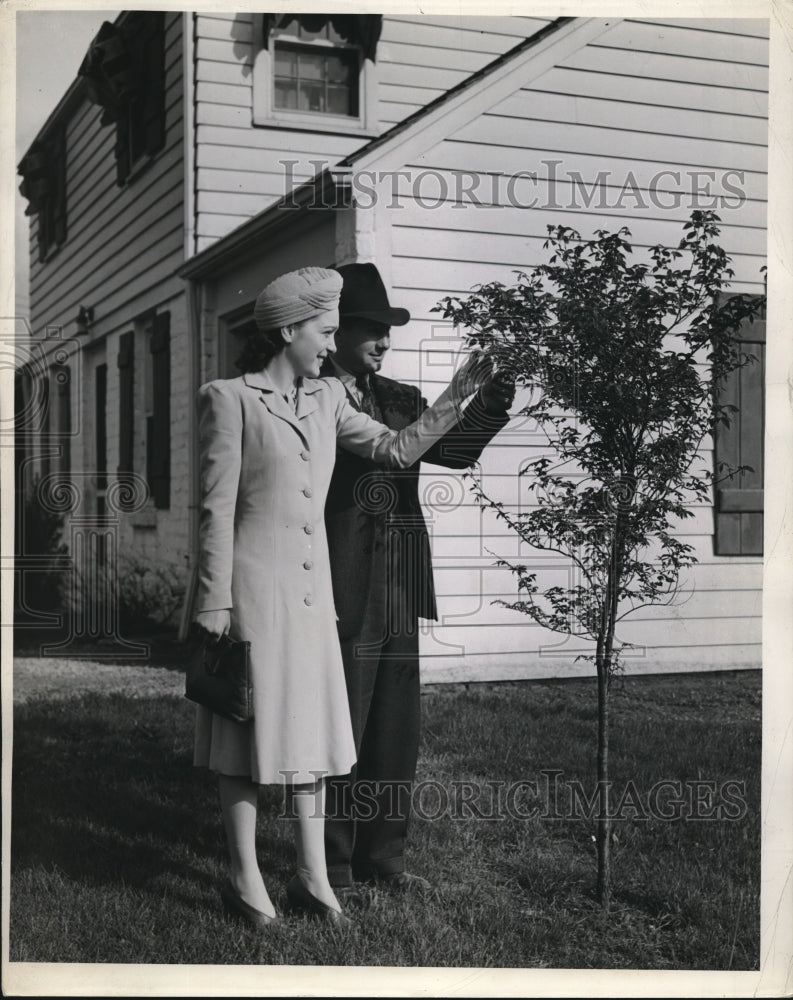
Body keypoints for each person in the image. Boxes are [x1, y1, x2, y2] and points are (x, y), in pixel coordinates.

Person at [191, 266, 491, 929]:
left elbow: (393, 450)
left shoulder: (326, 401)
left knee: (315, 734)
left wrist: (460, 392)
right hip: (250, 590)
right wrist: (213, 601)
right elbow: (213, 511)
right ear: (289, 328)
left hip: (311, 592)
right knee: (241, 731)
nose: (331, 346)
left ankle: (312, 878)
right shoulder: (226, 397)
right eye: (325, 332)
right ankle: (245, 879)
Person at [321, 263, 514, 896]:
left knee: (394, 722)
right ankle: (333, 864)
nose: (382, 341)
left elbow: (451, 452)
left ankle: (386, 860)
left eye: (387, 330)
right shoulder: (310, 393)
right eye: (370, 328)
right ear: (337, 327)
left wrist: (490, 401)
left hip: (399, 572)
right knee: (342, 718)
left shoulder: (401, 397)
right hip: (340, 568)